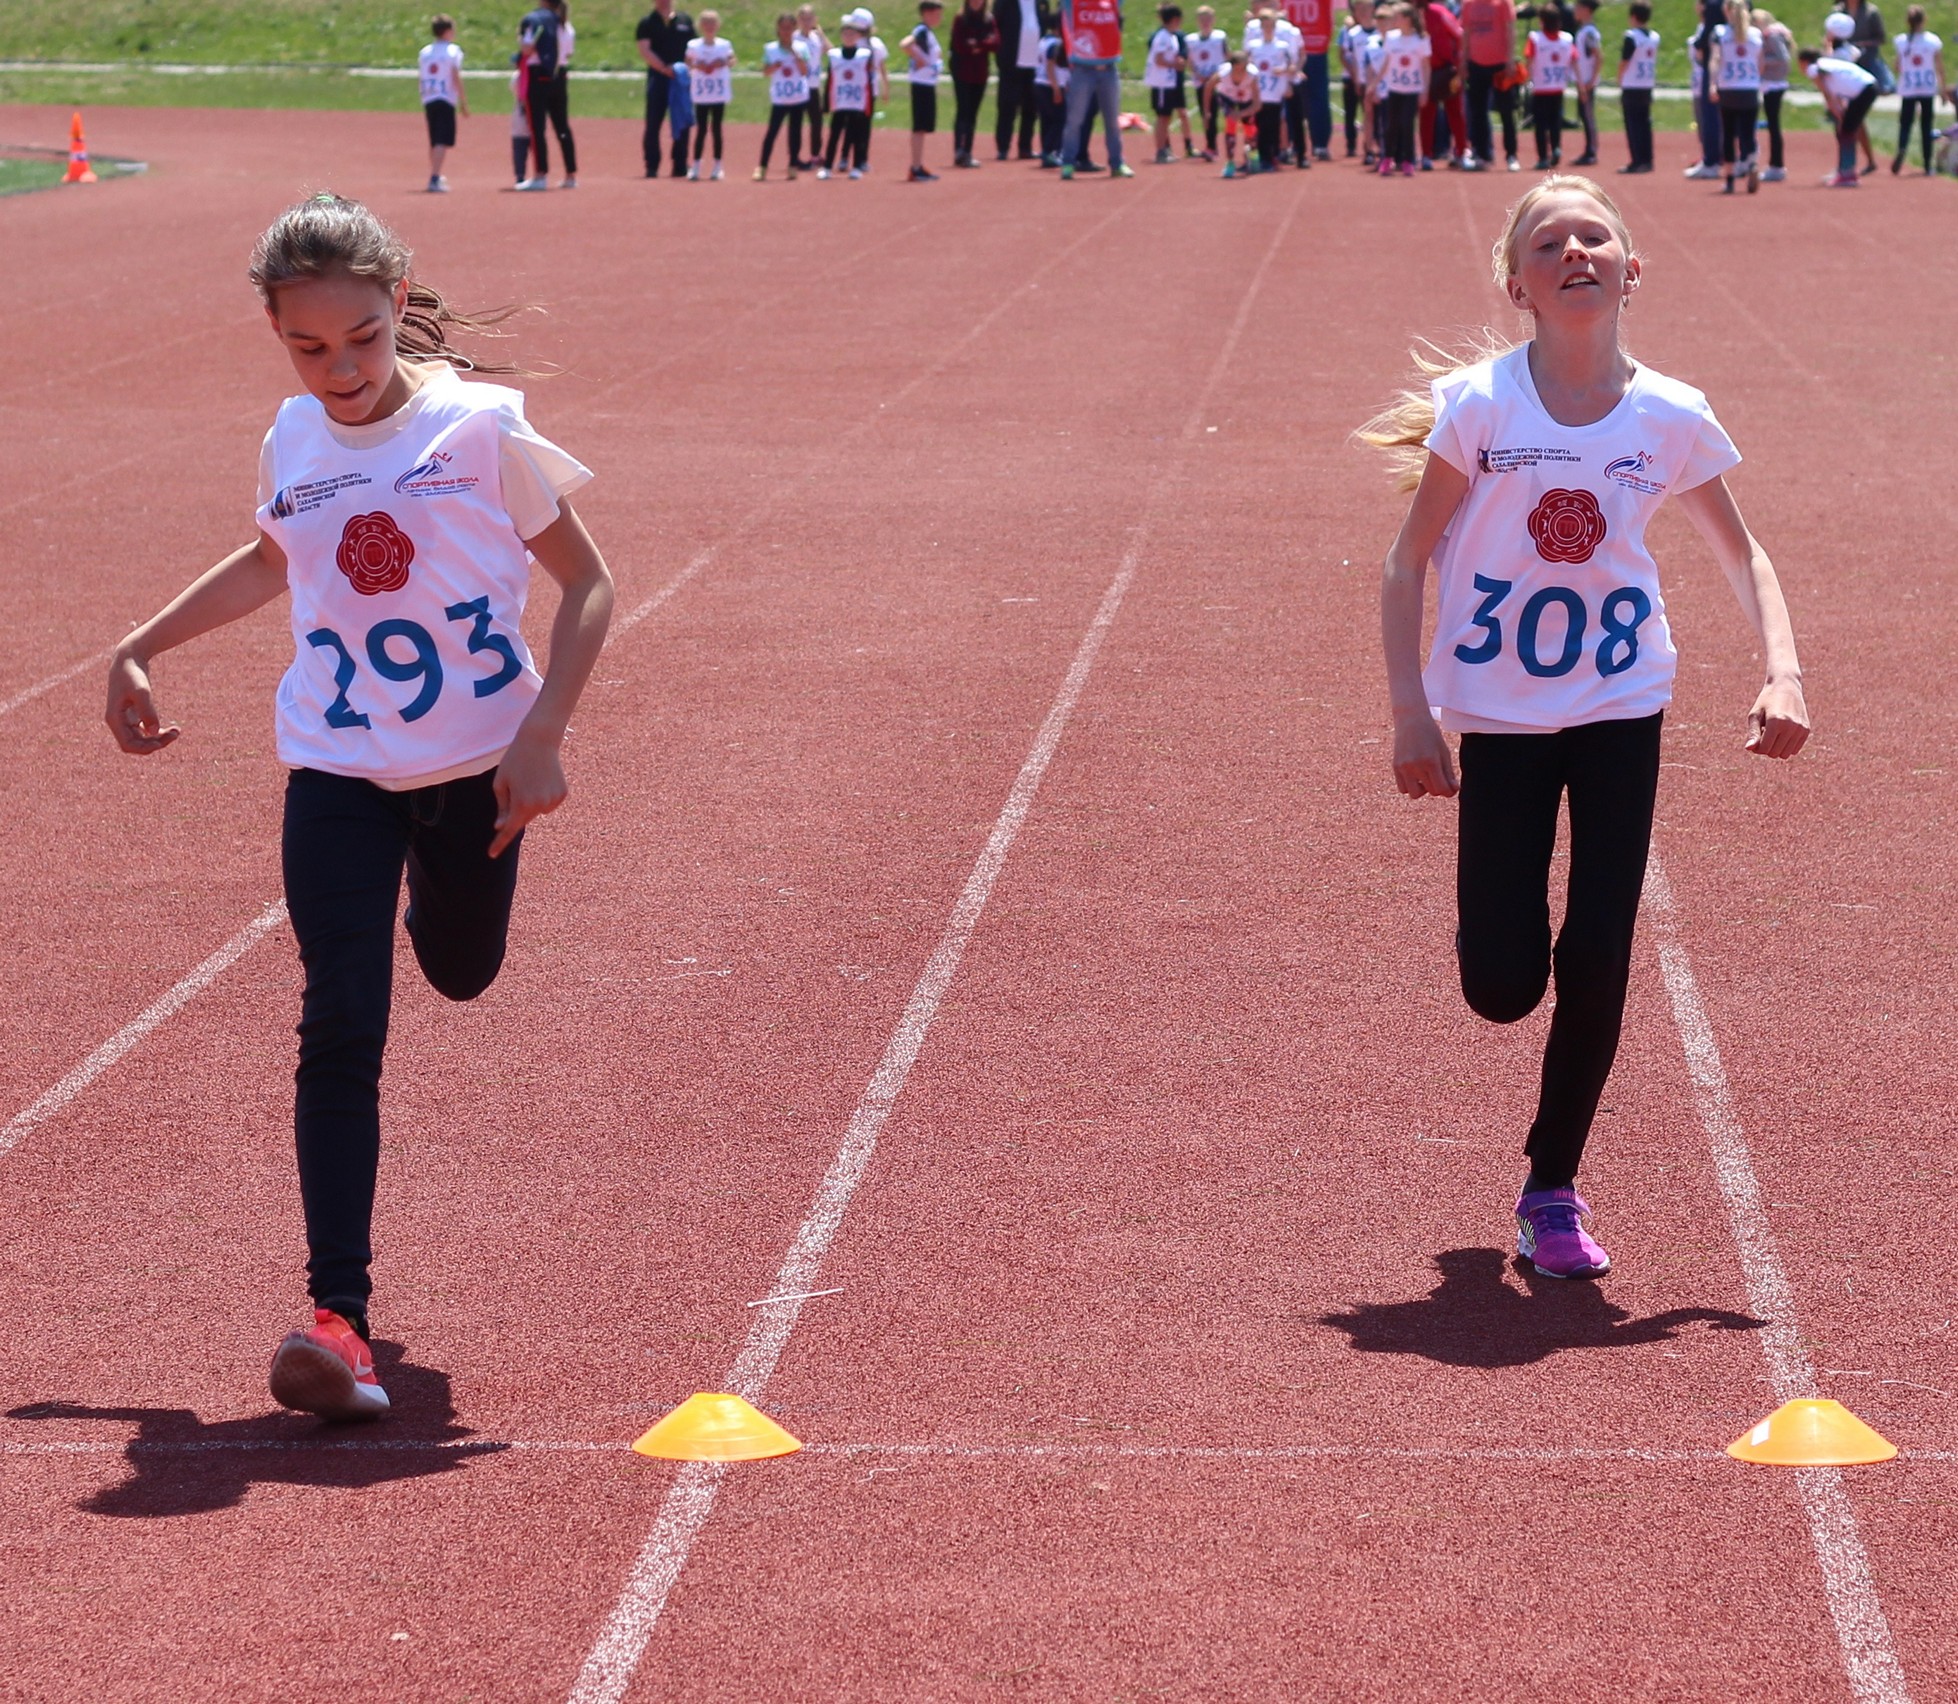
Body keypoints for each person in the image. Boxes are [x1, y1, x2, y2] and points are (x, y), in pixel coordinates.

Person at [105, 192, 615, 1419]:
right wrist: (141, 643)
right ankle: (338, 1321)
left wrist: (542, 735)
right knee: (341, 1018)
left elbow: (591, 584)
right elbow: (279, 558)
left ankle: (434, 896)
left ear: (398, 310)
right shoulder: (293, 438)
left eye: (363, 339)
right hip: (334, 764)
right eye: (309, 346)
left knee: (460, 969)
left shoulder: (481, 430)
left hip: (476, 773)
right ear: (279, 337)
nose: (339, 369)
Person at [1362, 176, 1809, 1283]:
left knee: (1598, 949)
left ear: (1628, 269)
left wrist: (1781, 671)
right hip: (1500, 717)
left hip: (1617, 705)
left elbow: (1741, 552)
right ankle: (1501, 972)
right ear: (1515, 282)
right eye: (1547, 242)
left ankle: (1548, 1186)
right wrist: (1409, 711)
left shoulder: (1669, 415)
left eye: (1593, 236)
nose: (1574, 252)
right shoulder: (1479, 407)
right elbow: (1404, 560)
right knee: (1502, 985)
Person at [1059, 0, 1133, 177]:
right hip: (1083, 69)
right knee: (1074, 120)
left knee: (1112, 121)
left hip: (1109, 68)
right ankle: (1068, 163)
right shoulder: (1074, 3)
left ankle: (1117, 163)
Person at [1802, 42, 1878, 184]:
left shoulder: (1814, 67)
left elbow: (1824, 87)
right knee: (1846, 131)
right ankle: (1845, 171)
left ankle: (1847, 174)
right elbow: (1836, 90)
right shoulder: (1829, 65)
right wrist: (1838, 109)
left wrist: (1832, 106)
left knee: (1847, 132)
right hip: (1866, 88)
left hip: (1864, 91)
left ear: (1804, 61)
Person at [518, 0, 575, 188]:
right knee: (562, 127)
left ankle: (540, 175)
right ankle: (571, 174)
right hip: (560, 77)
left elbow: (527, 48)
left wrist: (519, 41)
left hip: (539, 77)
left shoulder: (535, 21)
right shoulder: (566, 26)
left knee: (537, 128)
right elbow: (569, 53)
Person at [636, 0, 697, 178]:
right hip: (658, 77)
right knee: (653, 122)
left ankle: (680, 164)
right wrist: (664, 68)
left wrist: (683, 69)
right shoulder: (647, 22)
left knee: (682, 120)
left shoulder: (685, 20)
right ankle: (652, 165)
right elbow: (645, 50)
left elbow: (693, 48)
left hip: (680, 78)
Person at [1460, 0, 1518, 171]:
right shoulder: (1468, 4)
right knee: (1478, 111)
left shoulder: (1503, 3)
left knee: (1506, 110)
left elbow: (1510, 30)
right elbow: (1466, 32)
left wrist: (1510, 59)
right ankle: (1483, 154)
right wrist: (1464, 61)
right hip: (1476, 63)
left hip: (1500, 64)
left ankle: (1511, 154)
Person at [1711, 0, 1762, 193]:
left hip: (1729, 87)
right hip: (1749, 88)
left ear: (1726, 11)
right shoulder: (1755, 35)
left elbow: (1715, 59)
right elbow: (1761, 62)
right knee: (1748, 134)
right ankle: (1751, 165)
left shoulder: (1720, 33)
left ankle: (1730, 179)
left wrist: (1713, 83)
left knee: (1729, 134)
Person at [758, 10, 813, 178]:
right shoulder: (771, 48)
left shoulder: (802, 47)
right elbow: (765, 72)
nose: (786, 31)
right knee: (772, 131)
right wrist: (773, 66)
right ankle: (762, 166)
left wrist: (797, 58)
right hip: (780, 96)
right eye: (783, 28)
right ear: (778, 29)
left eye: (789, 28)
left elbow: (805, 71)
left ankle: (793, 166)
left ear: (794, 29)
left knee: (795, 132)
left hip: (797, 96)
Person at [1892, 7, 1948, 173]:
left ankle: (1902, 147)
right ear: (1924, 20)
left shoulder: (1901, 41)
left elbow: (1897, 66)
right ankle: (1926, 164)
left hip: (1908, 87)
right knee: (1926, 125)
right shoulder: (1932, 41)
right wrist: (1943, 90)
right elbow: (1939, 67)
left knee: (1905, 123)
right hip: (1927, 87)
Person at [418, 16, 469, 193]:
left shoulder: (425, 51)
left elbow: (422, 75)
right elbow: (455, 75)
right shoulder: (453, 51)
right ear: (447, 31)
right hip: (445, 97)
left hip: (429, 97)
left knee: (434, 139)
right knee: (442, 139)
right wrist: (463, 100)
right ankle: (434, 177)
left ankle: (436, 174)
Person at [822, 18, 875, 176]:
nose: (849, 37)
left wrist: (869, 104)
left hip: (857, 102)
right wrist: (826, 103)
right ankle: (827, 167)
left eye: (852, 34)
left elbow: (869, 82)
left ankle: (857, 166)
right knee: (834, 135)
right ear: (841, 35)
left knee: (857, 135)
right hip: (840, 102)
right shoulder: (834, 55)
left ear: (858, 36)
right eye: (846, 33)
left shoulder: (865, 55)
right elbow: (830, 80)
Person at [950, 0, 1000, 167]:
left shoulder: (988, 19)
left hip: (980, 73)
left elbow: (996, 42)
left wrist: (978, 44)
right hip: (962, 72)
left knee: (972, 114)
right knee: (963, 111)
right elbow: (959, 45)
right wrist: (981, 44)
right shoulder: (960, 19)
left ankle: (968, 151)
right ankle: (959, 150)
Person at [685, 10, 734, 180]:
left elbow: (732, 60)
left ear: (718, 25)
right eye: (706, 23)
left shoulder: (724, 44)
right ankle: (696, 165)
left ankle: (717, 166)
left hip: (718, 92)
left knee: (717, 129)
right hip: (702, 92)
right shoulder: (694, 45)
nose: (709, 26)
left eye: (712, 23)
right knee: (701, 130)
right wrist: (699, 65)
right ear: (700, 25)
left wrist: (722, 62)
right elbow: (688, 62)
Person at [1524, 5, 1574, 170]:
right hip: (1558, 86)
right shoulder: (1566, 39)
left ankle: (1543, 157)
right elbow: (1574, 58)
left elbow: (1529, 59)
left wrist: (1528, 79)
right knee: (1555, 121)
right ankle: (1556, 147)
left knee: (1541, 124)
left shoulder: (1536, 38)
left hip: (1541, 87)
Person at [994, 0, 1046, 159]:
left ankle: (1025, 147)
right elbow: (996, 24)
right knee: (1007, 106)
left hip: (1034, 63)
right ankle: (1003, 147)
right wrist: (1001, 55)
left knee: (1031, 108)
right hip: (1011, 62)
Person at [1250, 7, 1300, 169]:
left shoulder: (1282, 46)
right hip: (1259, 93)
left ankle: (1274, 155)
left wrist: (1286, 78)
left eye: (1270, 25)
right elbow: (1248, 68)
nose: (1267, 29)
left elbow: (1292, 66)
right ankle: (1263, 157)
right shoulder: (1253, 46)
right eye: (1264, 25)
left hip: (1275, 92)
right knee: (1260, 125)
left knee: (1274, 125)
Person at [1146, 5, 1195, 162]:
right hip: (1162, 83)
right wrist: (1175, 65)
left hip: (1168, 82)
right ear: (1174, 20)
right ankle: (1161, 151)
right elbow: (1158, 59)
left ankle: (1164, 150)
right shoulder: (1162, 37)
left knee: (1166, 116)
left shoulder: (1170, 36)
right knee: (1163, 116)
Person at [1421, 0, 1465, 168]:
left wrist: (1459, 66)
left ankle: (1461, 151)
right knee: (1426, 114)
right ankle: (1426, 154)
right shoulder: (1409, 15)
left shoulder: (1439, 13)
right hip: (1424, 71)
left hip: (1447, 70)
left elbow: (1458, 34)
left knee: (1455, 111)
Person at [907, 0, 947, 179]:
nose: (940, 18)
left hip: (927, 84)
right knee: (919, 127)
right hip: (921, 84)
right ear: (927, 14)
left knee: (923, 128)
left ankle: (918, 165)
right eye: (937, 14)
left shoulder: (927, 33)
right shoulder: (921, 30)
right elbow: (905, 44)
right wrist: (920, 59)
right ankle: (915, 167)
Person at [1616, 2, 1658, 173]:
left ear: (1633, 16)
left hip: (1632, 84)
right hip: (1646, 83)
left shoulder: (1631, 36)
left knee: (1633, 124)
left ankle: (1637, 160)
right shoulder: (1654, 36)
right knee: (1645, 122)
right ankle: (1647, 159)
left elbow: (1625, 60)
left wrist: (1619, 77)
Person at [1188, 4, 1231, 158]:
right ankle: (1211, 146)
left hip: (1220, 83)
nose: (1205, 22)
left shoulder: (1220, 37)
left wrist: (1221, 74)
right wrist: (1197, 74)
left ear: (1213, 20)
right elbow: (1190, 60)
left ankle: (1230, 144)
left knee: (1228, 114)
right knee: (1207, 114)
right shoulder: (1191, 40)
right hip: (1202, 82)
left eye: (1208, 18)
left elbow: (1228, 56)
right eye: (1202, 19)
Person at [1753, 7, 1791, 180]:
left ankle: (1777, 165)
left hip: (1773, 84)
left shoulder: (1772, 36)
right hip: (1771, 82)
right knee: (1772, 124)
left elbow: (1782, 58)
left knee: (1774, 125)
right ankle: (1775, 164)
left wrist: (1759, 61)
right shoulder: (1772, 35)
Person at [1213, 46, 1261, 171]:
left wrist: (1242, 113)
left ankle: (1253, 156)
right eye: (1237, 69)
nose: (1240, 72)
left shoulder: (1252, 76)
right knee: (1230, 126)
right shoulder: (1223, 74)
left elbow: (1257, 104)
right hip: (1227, 97)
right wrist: (1207, 110)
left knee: (1250, 129)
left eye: (1243, 69)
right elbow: (1209, 87)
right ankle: (1230, 162)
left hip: (1246, 99)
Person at [1339, 0, 1373, 157]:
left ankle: (1371, 144)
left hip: (1370, 79)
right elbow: (1343, 54)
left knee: (1370, 112)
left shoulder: (1376, 29)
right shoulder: (1347, 31)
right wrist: (1354, 75)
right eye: (1359, 9)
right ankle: (1351, 144)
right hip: (1350, 77)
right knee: (1350, 112)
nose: (1363, 12)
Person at [798, 6, 831, 166]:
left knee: (816, 121)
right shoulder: (794, 38)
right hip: (798, 86)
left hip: (814, 85)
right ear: (798, 20)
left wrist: (821, 34)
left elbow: (832, 52)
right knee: (796, 122)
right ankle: (795, 156)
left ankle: (815, 154)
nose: (806, 22)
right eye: (803, 18)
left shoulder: (816, 37)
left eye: (810, 18)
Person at [1568, 0, 1599, 164]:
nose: (1575, 10)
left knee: (1587, 115)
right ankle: (1589, 149)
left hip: (1587, 81)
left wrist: (1591, 80)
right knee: (1584, 114)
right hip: (1583, 80)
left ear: (1586, 10)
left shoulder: (1588, 32)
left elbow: (1598, 56)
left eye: (1578, 7)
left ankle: (1591, 151)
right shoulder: (1583, 31)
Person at [509, 54, 533, 183]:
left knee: (519, 145)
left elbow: (514, 89)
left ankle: (520, 176)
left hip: (519, 113)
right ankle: (538, 174)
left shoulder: (517, 77)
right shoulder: (534, 75)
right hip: (531, 112)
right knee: (535, 143)